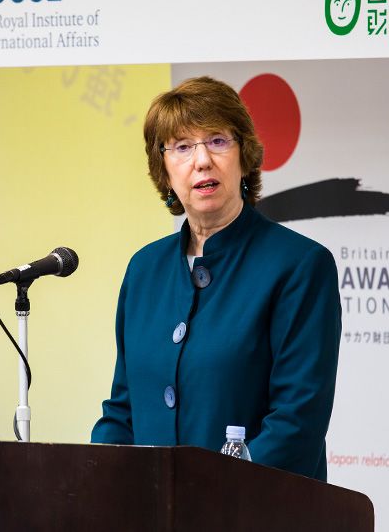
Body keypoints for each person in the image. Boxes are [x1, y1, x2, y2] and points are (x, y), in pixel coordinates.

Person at [90, 76, 341, 481]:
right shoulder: (144, 269)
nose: (202, 160)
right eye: (182, 147)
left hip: (253, 506)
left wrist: (208, 496)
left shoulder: (300, 266)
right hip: (149, 509)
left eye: (218, 141)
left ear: (244, 155)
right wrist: (93, 481)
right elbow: (123, 410)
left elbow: (297, 424)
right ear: (163, 169)